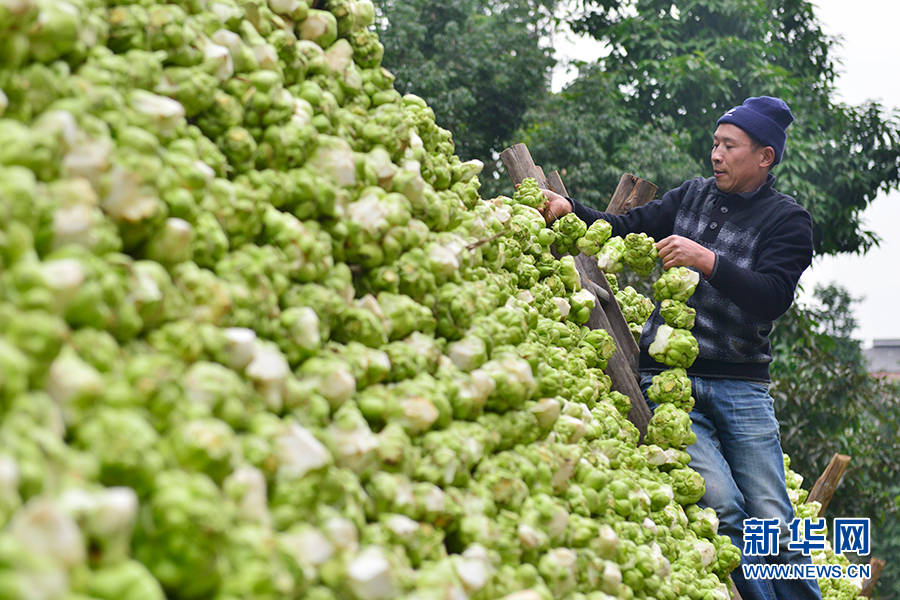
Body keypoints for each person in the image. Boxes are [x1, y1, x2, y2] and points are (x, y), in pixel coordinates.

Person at [537, 96, 822, 600]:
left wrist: (708, 261)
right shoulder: (690, 197)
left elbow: (772, 298)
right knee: (724, 510)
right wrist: (571, 211)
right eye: (715, 143)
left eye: (729, 146)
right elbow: (625, 226)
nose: (715, 154)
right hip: (671, 383)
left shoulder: (788, 222)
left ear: (765, 157)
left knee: (774, 521)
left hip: (741, 385)